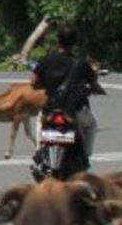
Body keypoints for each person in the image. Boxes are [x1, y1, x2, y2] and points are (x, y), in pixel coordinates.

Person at [31, 23, 99, 166]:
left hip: (51, 109)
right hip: (75, 110)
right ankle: (85, 156)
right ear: (75, 42)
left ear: (58, 40)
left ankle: (38, 150)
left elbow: (34, 83)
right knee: (92, 125)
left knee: (39, 121)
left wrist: (47, 84)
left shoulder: (46, 60)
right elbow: (93, 84)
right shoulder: (81, 64)